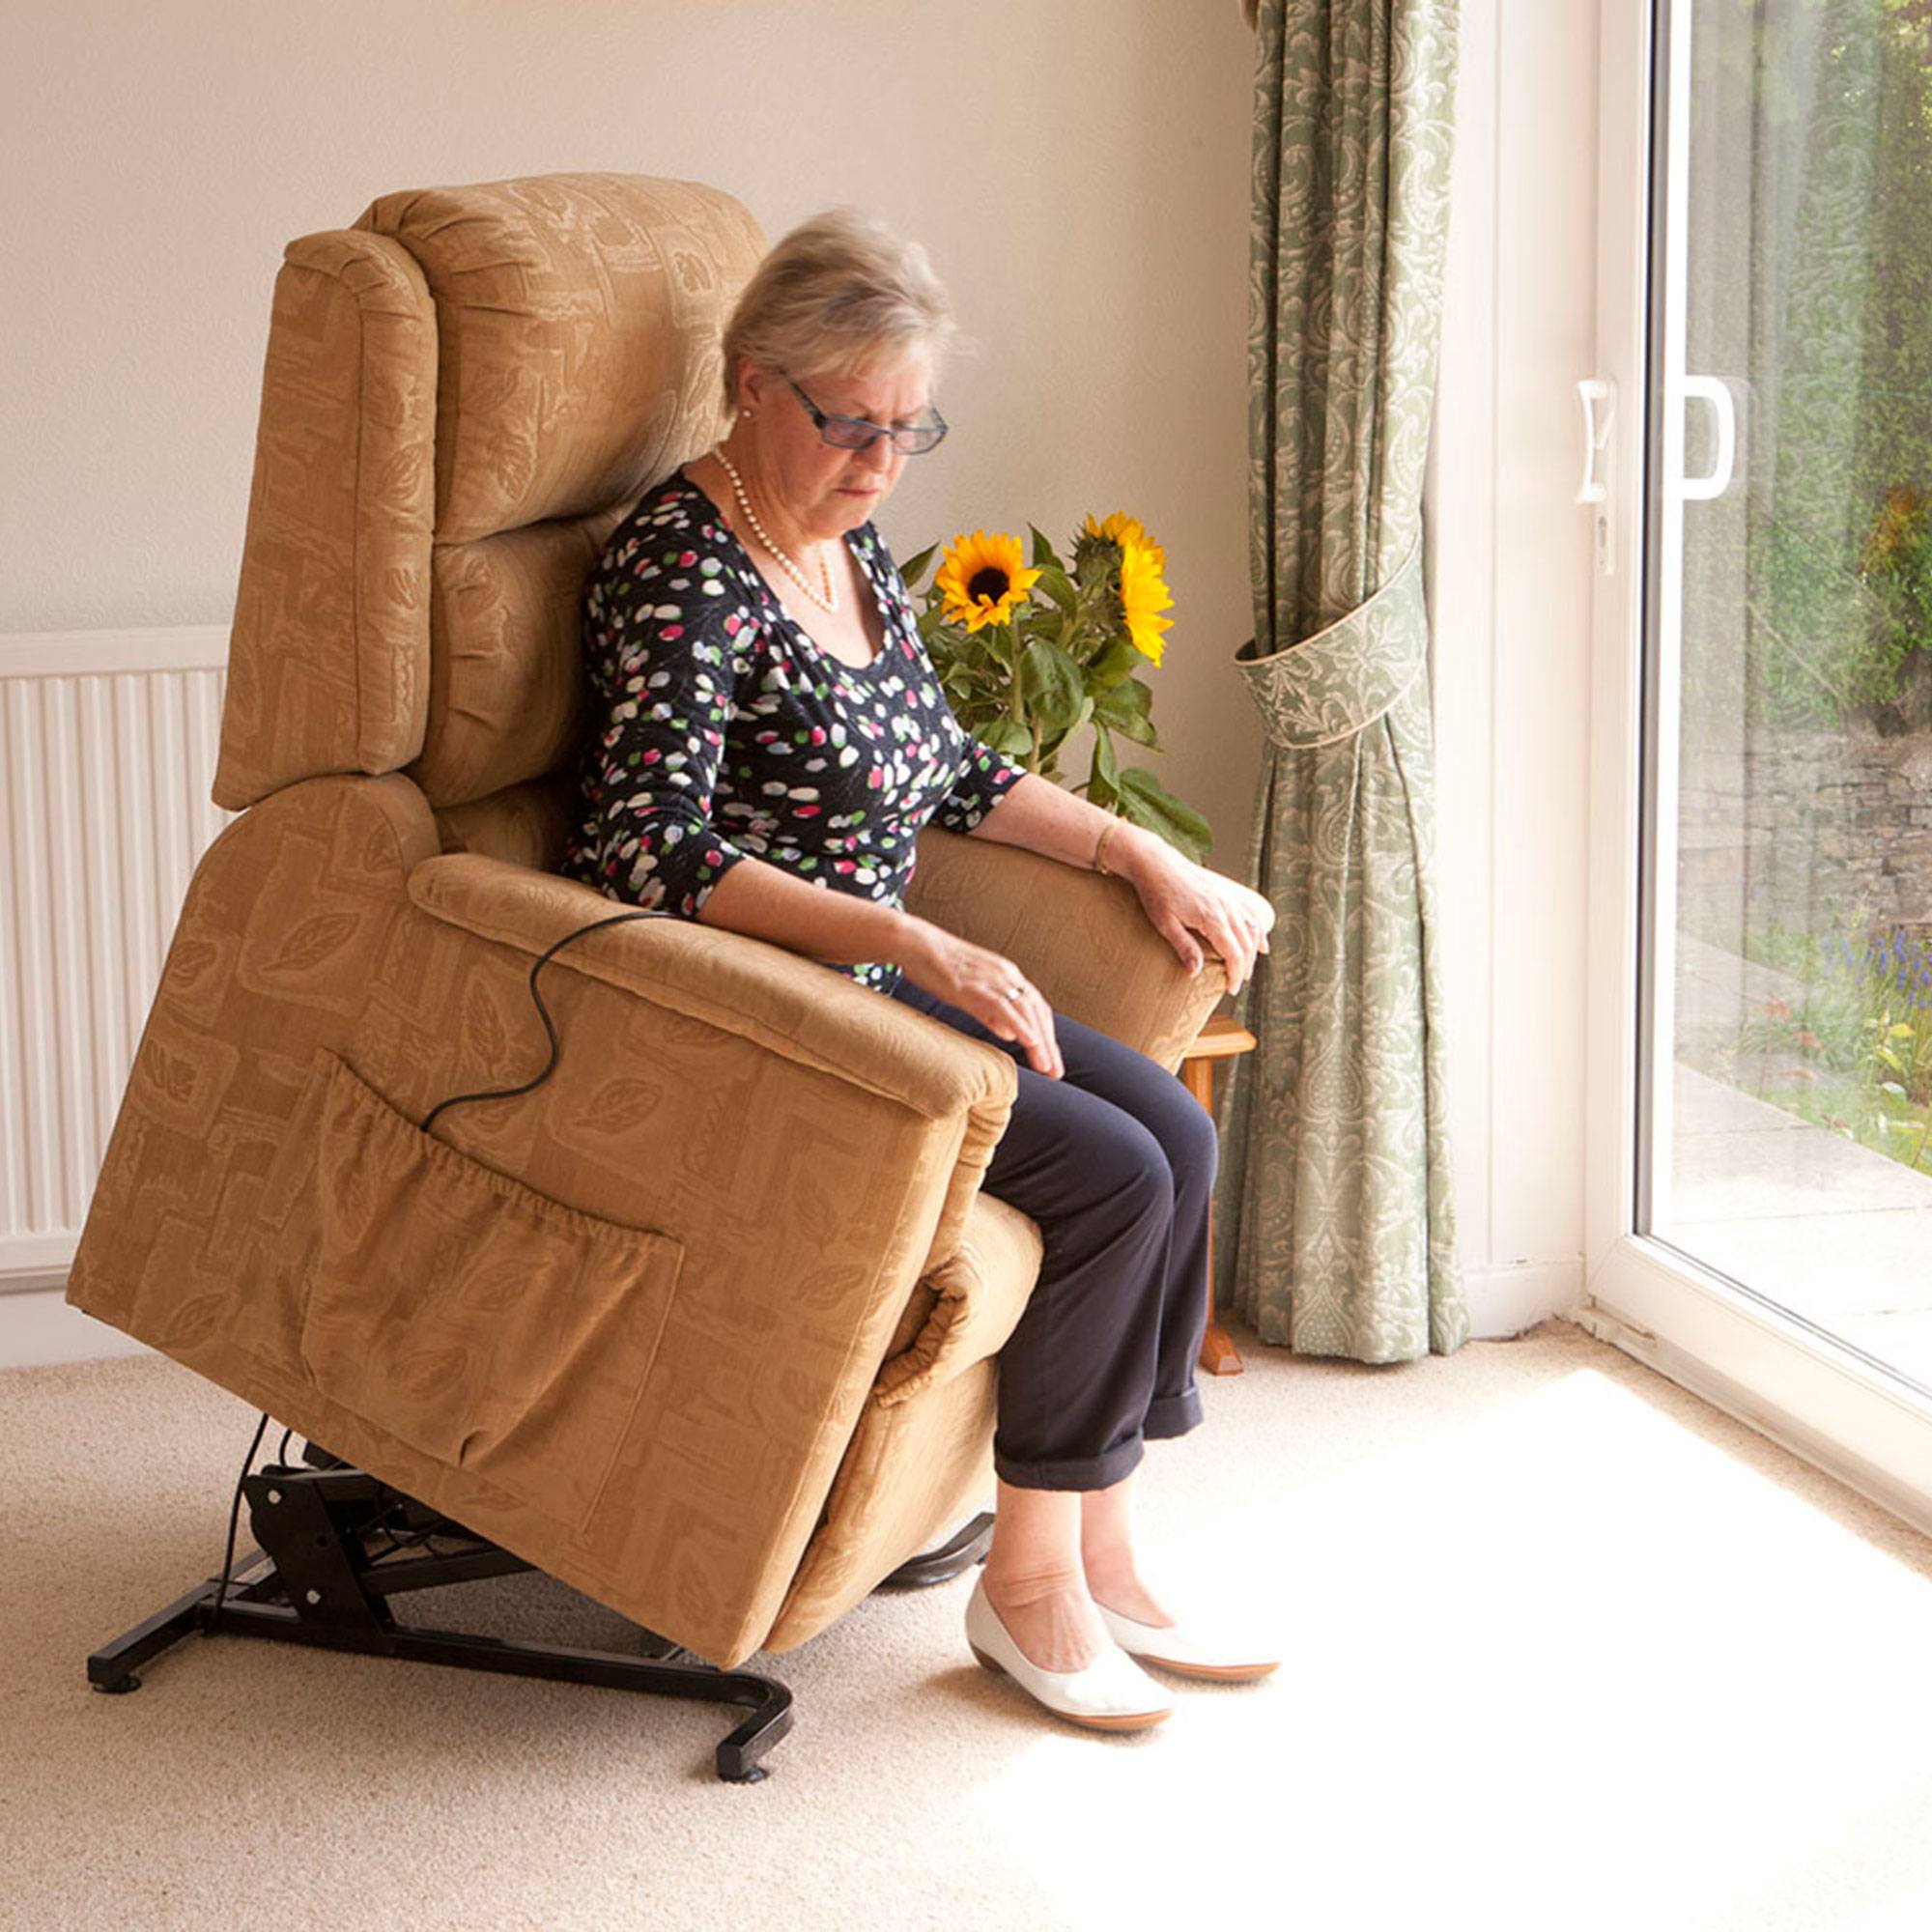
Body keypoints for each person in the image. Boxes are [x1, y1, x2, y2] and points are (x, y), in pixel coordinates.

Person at [559, 206, 1280, 1733]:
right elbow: (645, 845)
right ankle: (1022, 1595)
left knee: (1182, 1131)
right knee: (1115, 1178)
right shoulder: (680, 569)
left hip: (895, 991)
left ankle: (1102, 1543)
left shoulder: (847, 543)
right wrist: (911, 939)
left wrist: (1136, 853)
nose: (881, 465)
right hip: (776, 1015)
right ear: (753, 384)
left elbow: (948, 770)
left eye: (909, 429)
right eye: (848, 425)